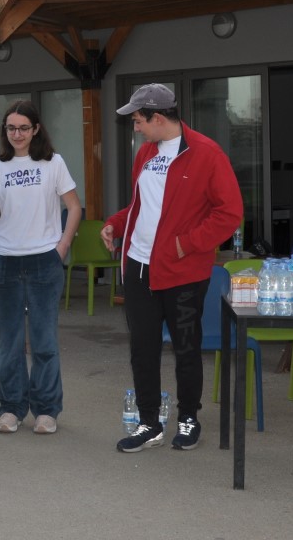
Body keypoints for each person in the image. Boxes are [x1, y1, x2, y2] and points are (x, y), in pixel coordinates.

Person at [102, 84, 242, 453]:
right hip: (138, 267)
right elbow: (142, 205)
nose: (135, 127)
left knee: (186, 349)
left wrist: (185, 244)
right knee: (142, 350)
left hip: (183, 272)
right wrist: (116, 224)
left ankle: (188, 418)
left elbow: (229, 213)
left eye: (138, 120)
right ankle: (148, 423)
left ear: (158, 118)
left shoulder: (207, 153)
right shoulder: (145, 153)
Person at [0, 101, 81, 436]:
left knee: (44, 341)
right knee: (10, 343)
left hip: (43, 262)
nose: (17, 134)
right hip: (5, 261)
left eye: (23, 127)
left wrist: (61, 247)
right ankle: (11, 409)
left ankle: (46, 411)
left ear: (36, 129)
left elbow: (74, 207)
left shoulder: (53, 163)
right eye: (11, 128)